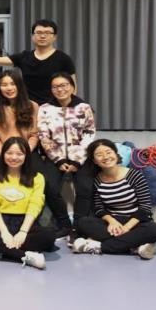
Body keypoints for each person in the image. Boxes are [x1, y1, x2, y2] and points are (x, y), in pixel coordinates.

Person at [0, 69, 73, 237]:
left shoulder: (32, 106)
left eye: (12, 84)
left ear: (19, 85)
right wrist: (5, 153)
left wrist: (24, 152)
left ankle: (65, 224)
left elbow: (35, 134)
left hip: (27, 151)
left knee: (48, 183)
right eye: (3, 84)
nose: (8, 88)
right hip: (2, 151)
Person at [0, 137, 56, 270]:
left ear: (26, 156)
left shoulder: (37, 177)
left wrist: (23, 231)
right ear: (3, 154)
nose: (14, 157)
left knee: (49, 236)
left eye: (19, 154)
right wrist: (4, 232)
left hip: (26, 223)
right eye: (9, 153)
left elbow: (35, 205)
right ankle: (24, 256)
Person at [72, 139, 156, 260]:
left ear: (116, 154)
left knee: (154, 230)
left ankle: (96, 246)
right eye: (99, 155)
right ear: (94, 161)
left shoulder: (134, 175)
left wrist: (126, 228)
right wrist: (112, 221)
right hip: (113, 223)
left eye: (109, 152)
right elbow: (99, 208)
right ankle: (134, 246)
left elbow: (145, 207)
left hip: (136, 222)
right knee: (84, 222)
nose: (105, 157)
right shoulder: (97, 180)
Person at [38, 72, 96, 244]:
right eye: (55, 87)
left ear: (72, 87)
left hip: (81, 156)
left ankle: (79, 227)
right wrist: (59, 160)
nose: (60, 89)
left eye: (64, 85)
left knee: (85, 188)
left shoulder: (84, 107)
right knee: (49, 187)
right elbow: (43, 136)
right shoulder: (45, 108)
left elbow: (89, 133)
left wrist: (77, 160)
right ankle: (64, 224)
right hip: (55, 156)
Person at [0, 19, 76, 104]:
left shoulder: (63, 59)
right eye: (39, 32)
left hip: (53, 108)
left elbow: (73, 87)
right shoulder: (24, 57)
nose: (43, 36)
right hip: (28, 107)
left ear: (54, 37)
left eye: (47, 33)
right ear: (33, 36)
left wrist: (70, 107)